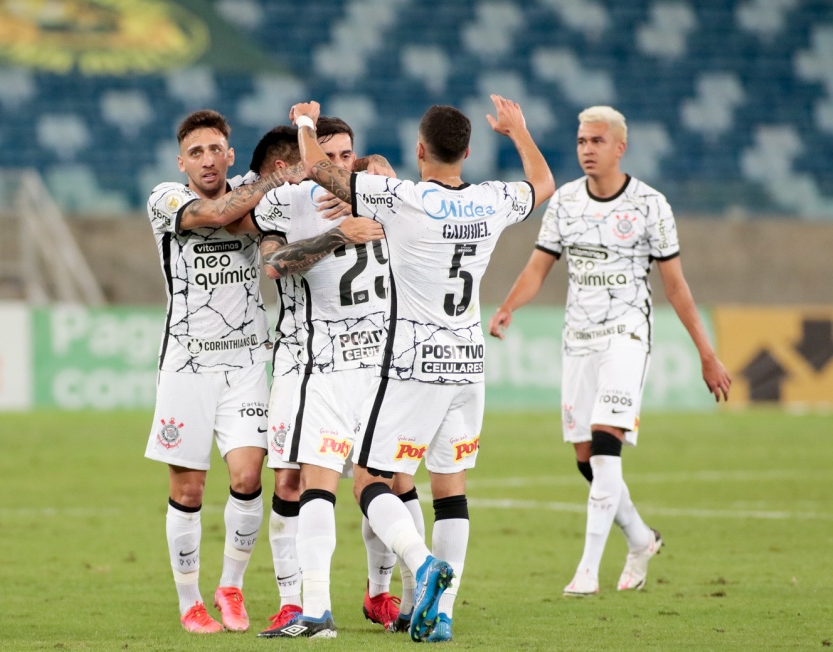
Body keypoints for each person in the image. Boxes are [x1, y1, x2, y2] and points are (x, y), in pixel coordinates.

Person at [288, 95, 555, 642]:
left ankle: (422, 562)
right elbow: (544, 184)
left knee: (367, 477)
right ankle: (443, 614)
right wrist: (520, 132)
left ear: (419, 150)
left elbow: (319, 169)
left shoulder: (403, 199)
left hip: (413, 362)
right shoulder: (490, 200)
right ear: (468, 151)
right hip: (468, 363)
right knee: (449, 488)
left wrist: (306, 123)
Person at [487, 105, 732, 596]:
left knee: (604, 442)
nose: (587, 150)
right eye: (581, 141)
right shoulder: (565, 204)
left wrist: (706, 352)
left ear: (620, 147)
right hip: (577, 338)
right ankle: (641, 537)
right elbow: (539, 267)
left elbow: (677, 287)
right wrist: (508, 307)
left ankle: (587, 571)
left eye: (597, 142)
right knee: (586, 455)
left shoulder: (650, 205)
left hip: (627, 334)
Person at [250, 117, 421, 639]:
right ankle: (292, 602)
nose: (343, 165)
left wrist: (370, 182)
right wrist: (337, 231)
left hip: (376, 362)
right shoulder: (287, 202)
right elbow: (275, 262)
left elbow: (387, 176)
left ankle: (381, 593)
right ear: (305, 160)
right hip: (304, 362)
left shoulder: (380, 193)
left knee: (387, 480)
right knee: (291, 479)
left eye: (350, 155)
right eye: (331, 155)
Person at [143, 109, 302, 634]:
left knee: (248, 476)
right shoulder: (165, 198)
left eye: (215, 150)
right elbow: (215, 216)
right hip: (186, 366)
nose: (207, 160)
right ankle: (189, 603)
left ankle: (230, 585)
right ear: (180, 161)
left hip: (246, 363)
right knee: (188, 491)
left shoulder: (254, 195)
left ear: (230, 154)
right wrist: (273, 177)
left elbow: (271, 228)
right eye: (196, 152)